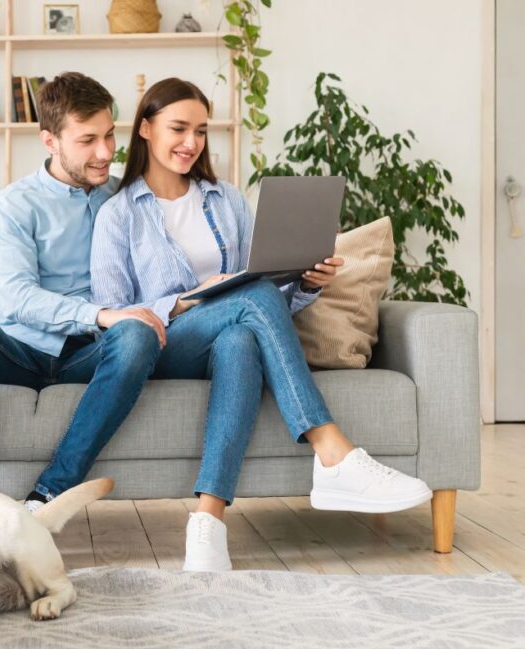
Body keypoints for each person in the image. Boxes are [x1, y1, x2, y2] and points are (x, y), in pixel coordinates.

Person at [90, 77, 432, 571]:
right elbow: (114, 316)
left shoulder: (225, 200)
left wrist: (308, 281)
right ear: (145, 129)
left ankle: (207, 524)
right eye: (178, 128)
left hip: (232, 334)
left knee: (240, 338)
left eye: (201, 131)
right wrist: (186, 302)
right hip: (163, 345)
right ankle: (332, 451)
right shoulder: (118, 215)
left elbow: (266, 292)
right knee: (246, 298)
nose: (192, 143)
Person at [0, 72, 168, 513]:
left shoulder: (123, 197)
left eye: (108, 136)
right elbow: (17, 296)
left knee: (136, 334)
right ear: (50, 141)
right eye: (87, 141)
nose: (105, 153)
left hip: (89, 355)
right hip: (20, 352)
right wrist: (100, 314)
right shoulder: (13, 204)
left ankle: (49, 494)